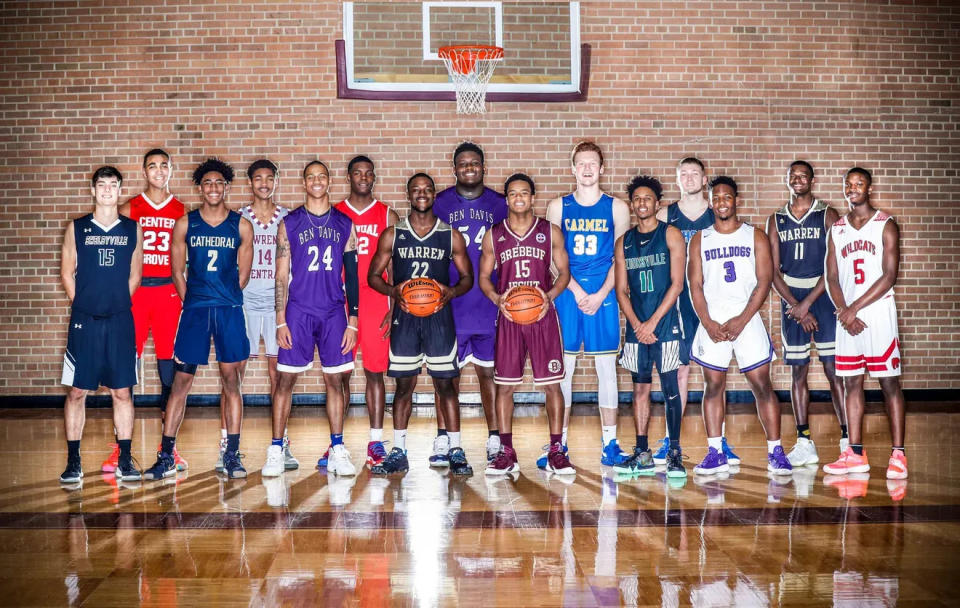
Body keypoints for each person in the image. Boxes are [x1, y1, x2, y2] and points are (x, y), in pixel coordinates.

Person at [143, 158, 253, 480]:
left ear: (227, 187)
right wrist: (192, 299)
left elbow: (243, 276)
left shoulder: (241, 225)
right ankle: (166, 456)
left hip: (229, 311)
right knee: (181, 382)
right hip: (195, 313)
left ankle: (231, 455)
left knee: (232, 382)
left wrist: (222, 296)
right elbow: (176, 271)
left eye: (219, 183)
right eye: (208, 183)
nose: (214, 188)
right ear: (200, 188)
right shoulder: (185, 223)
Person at [367, 173, 475, 476]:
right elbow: (373, 276)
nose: (422, 194)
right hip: (405, 318)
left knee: (446, 386)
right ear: (409, 194)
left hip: (440, 317)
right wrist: (394, 291)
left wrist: (451, 291)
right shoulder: (393, 234)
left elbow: (467, 278)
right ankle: (399, 450)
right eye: (416, 190)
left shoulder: (450, 235)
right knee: (404, 387)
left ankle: (455, 449)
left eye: (427, 190)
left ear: (434, 195)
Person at [686, 176, 792, 476]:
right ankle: (715, 451)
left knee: (762, 386)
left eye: (727, 197)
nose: (721, 202)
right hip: (713, 320)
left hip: (747, 319)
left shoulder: (755, 236)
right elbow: (694, 284)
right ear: (710, 201)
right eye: (716, 197)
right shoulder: (700, 239)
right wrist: (706, 322)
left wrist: (743, 319)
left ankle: (776, 452)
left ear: (736, 200)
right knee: (713, 386)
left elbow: (764, 281)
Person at [265, 159, 360, 477]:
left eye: (322, 176)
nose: (317, 181)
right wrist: (280, 319)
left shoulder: (346, 224)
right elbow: (280, 277)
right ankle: (276, 449)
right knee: (285, 381)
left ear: (329, 181)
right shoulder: (288, 223)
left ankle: (337, 449)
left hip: (334, 312)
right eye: (311, 177)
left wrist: (353, 320)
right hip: (299, 311)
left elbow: (354, 276)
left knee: (335, 381)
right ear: (304, 183)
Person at [479, 173, 573, 475]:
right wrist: (497, 299)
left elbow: (564, 274)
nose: (518, 198)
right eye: (513, 194)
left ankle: (557, 449)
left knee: (552, 385)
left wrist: (549, 297)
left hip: (543, 317)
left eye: (524, 193)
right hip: (509, 318)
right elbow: (483, 277)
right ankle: (506, 451)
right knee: (504, 387)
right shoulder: (494, 235)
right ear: (507, 199)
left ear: (533, 197)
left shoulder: (550, 232)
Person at [545, 141, 631, 467]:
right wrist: (577, 290)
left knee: (606, 369)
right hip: (568, 292)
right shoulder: (558, 207)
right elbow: (553, 258)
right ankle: (559, 444)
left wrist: (598, 294)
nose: (586, 169)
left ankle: (610, 443)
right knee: (563, 371)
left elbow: (621, 258)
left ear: (602, 168)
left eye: (592, 163)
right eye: (580, 163)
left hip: (604, 291)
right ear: (572, 168)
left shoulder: (617, 207)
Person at [103, 149, 186, 473]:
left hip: (167, 292)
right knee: (125, 371)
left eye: (164, 165)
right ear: (144, 170)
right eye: (152, 165)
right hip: (135, 294)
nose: (159, 170)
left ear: (170, 170)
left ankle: (170, 448)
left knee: (170, 372)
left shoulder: (182, 210)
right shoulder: (129, 208)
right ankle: (118, 448)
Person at [59, 166, 143, 483]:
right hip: (85, 320)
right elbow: (67, 272)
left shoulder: (132, 229)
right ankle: (73, 461)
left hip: (121, 319)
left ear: (120, 189)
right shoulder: (77, 228)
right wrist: (83, 304)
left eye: (113, 184)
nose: (107, 189)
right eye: (102, 185)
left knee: (122, 392)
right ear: (93, 190)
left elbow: (136, 275)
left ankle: (124, 459)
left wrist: (116, 302)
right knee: (78, 391)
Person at [823, 167, 907, 480]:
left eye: (859, 184)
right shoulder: (838, 228)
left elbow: (889, 275)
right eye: (849, 184)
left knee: (889, 383)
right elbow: (831, 276)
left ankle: (898, 455)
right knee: (851, 383)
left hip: (876, 314)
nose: (853, 188)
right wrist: (844, 310)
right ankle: (854, 453)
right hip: (847, 317)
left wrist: (853, 309)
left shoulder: (886, 224)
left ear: (869, 189)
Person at [655, 157, 738, 465]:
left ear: (705, 180)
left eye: (695, 173)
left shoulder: (716, 212)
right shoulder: (666, 214)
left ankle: (720, 441)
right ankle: (670, 439)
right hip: (677, 302)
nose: (689, 178)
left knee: (714, 373)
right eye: (683, 174)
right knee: (678, 371)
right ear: (677, 180)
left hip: (709, 301)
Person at [766, 160, 847, 467]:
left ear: (812, 180)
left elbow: (833, 267)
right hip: (791, 297)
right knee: (798, 370)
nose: (797, 180)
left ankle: (846, 439)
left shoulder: (828, 214)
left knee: (833, 369)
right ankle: (803, 441)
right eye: (793, 176)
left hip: (823, 295)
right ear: (787, 180)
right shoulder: (775, 219)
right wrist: (795, 307)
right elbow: (772, 272)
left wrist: (807, 305)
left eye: (803, 175)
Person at [432, 142, 508, 466]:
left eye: (474, 163)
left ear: (483, 166)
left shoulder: (499, 204)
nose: (469, 168)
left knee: (488, 374)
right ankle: (444, 438)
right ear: (454, 169)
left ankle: (494, 439)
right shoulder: (440, 203)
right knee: (445, 376)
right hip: (450, 303)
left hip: (487, 303)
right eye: (462, 164)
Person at [613, 175, 688, 478]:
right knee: (640, 389)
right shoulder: (624, 242)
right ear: (632, 205)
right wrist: (636, 325)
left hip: (666, 324)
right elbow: (621, 290)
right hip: (636, 328)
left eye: (648, 198)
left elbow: (678, 284)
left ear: (657, 204)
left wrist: (652, 322)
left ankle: (674, 452)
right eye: (637, 199)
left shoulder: (671, 234)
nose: (642, 203)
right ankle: (642, 451)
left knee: (670, 389)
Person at [334, 156, 399, 469]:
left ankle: (375, 442)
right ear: (348, 176)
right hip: (340, 301)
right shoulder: (335, 213)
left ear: (374, 177)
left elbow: (399, 267)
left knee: (375, 372)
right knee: (339, 375)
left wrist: (395, 305)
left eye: (368, 172)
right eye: (357, 172)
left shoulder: (388, 214)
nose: (363, 177)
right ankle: (337, 445)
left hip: (376, 301)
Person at [235, 159, 298, 470]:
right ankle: (227, 445)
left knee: (279, 376)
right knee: (234, 377)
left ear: (276, 181)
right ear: (250, 183)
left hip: (277, 305)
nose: (263, 183)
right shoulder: (238, 219)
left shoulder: (288, 218)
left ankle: (281, 443)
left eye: (268, 178)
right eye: (257, 178)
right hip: (245, 302)